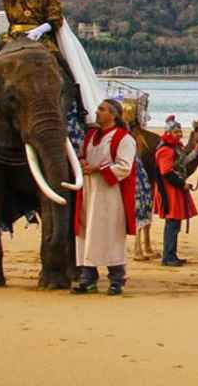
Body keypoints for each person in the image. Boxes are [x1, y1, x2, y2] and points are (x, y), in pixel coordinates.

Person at [72, 99, 137, 295]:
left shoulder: (124, 138)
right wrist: (82, 162)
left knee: (109, 234)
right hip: (88, 191)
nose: (97, 112)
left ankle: (116, 279)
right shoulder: (91, 135)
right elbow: (83, 155)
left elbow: (124, 167)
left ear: (114, 115)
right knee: (85, 232)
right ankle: (87, 278)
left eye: (102, 109)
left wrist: (98, 169)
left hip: (109, 194)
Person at [154, 115, 198, 266]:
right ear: (169, 133)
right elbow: (166, 172)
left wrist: (195, 153)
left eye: (180, 131)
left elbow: (181, 163)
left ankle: (171, 255)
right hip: (170, 190)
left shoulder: (174, 148)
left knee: (175, 223)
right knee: (172, 223)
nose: (179, 134)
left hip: (174, 188)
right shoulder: (165, 150)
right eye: (176, 132)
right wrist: (182, 184)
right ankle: (168, 256)